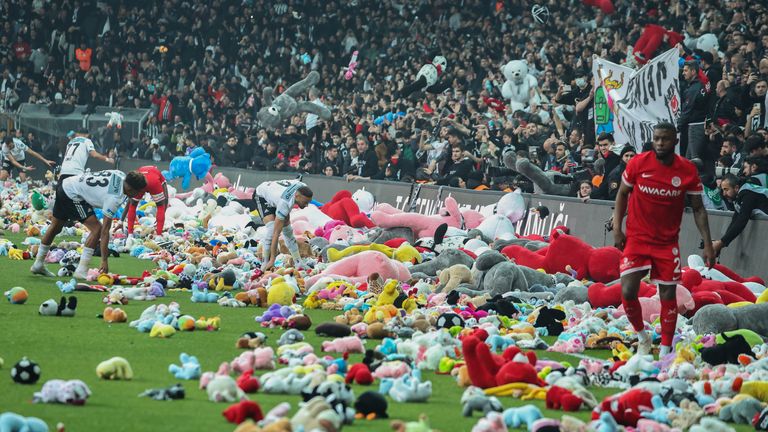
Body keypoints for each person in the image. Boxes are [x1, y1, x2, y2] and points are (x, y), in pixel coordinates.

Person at [612, 122, 716, 358]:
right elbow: (622, 193)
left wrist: (708, 244)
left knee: (668, 295)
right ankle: (642, 336)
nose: (660, 143)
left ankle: (667, 350)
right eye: (657, 138)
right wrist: (617, 228)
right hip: (637, 238)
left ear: (675, 141)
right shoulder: (639, 163)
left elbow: (698, 209)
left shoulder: (687, 170)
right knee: (628, 291)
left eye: (665, 139)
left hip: (666, 243)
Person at [30, 170, 147, 279]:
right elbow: (105, 231)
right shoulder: (114, 198)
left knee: (55, 227)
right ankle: (81, 270)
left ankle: (38, 264)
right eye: (138, 192)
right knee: (97, 229)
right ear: (132, 189)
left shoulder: (120, 174)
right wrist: (104, 260)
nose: (139, 195)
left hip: (66, 185)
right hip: (73, 195)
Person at [254, 179, 314, 271]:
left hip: (277, 195)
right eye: (305, 202)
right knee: (271, 229)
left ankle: (298, 262)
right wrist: (272, 259)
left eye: (308, 202)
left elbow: (296, 180)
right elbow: (276, 234)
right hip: (262, 196)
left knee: (288, 231)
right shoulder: (285, 203)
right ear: (297, 196)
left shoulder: (302, 186)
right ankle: (265, 262)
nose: (307, 205)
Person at [713, 170, 768, 256]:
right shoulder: (740, 195)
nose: (724, 194)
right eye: (723, 190)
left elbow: (741, 221)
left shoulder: (747, 194)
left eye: (726, 190)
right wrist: (722, 243)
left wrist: (721, 243)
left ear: (736, 188)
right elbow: (735, 220)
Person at [122, 166, 168, 236]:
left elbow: (130, 201)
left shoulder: (136, 177)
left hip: (142, 182)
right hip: (153, 182)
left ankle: (130, 234)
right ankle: (159, 235)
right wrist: (161, 218)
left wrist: (121, 220)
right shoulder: (157, 174)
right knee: (160, 206)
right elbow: (166, 198)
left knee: (133, 205)